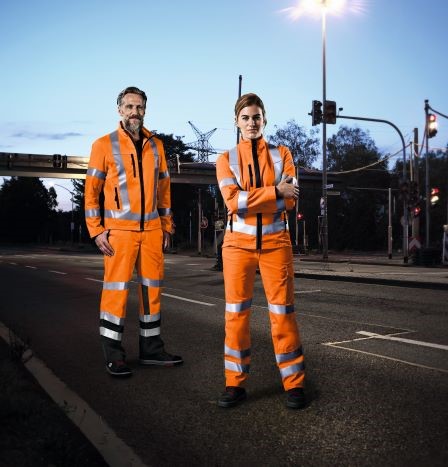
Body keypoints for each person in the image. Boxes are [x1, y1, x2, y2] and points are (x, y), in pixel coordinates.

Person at [84, 86, 183, 377]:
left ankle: (152, 350)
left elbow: (164, 190)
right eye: (128, 107)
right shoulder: (103, 145)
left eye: (139, 107)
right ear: (119, 110)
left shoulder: (157, 146)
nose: (134, 113)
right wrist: (96, 230)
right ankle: (114, 355)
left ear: (145, 110)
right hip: (119, 233)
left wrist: (166, 225)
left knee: (152, 292)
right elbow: (92, 193)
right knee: (115, 294)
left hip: (152, 231)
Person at [215, 93, 305, 409]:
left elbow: (290, 199)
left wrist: (256, 196)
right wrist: (272, 191)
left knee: (283, 315)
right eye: (245, 118)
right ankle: (234, 385)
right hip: (237, 248)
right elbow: (232, 202)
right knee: (236, 317)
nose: (251, 123)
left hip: (276, 245)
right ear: (236, 121)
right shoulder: (225, 159)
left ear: (264, 119)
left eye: (256, 117)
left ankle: (294, 384)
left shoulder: (283, 154)